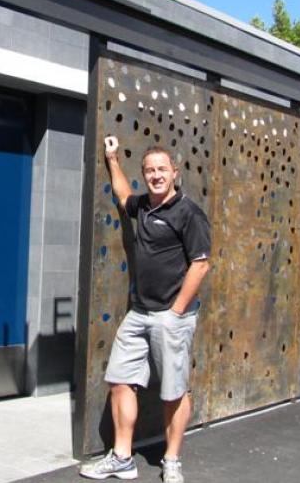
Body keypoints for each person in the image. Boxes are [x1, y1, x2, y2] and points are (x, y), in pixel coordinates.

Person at [79, 136, 211, 483]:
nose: (156, 175)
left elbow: (200, 265)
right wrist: (112, 159)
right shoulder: (144, 206)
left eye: (162, 170)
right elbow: (123, 196)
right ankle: (122, 458)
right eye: (150, 170)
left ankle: (171, 460)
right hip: (139, 313)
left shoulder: (189, 213)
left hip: (172, 317)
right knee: (120, 381)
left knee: (174, 391)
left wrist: (176, 311)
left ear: (174, 173)